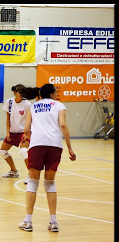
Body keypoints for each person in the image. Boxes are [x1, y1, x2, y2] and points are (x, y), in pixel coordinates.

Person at [19, 84, 76, 232]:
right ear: (51, 94)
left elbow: (26, 130)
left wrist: (35, 139)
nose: (57, 94)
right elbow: (63, 125)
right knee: (50, 182)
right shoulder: (59, 105)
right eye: (56, 92)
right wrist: (70, 148)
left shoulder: (33, 106)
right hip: (55, 145)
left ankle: (28, 221)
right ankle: (53, 222)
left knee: (33, 181)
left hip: (37, 145)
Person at [0, 84, 32, 184]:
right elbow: (7, 119)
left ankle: (31, 176)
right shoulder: (9, 102)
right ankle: (14, 171)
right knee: (2, 152)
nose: (22, 94)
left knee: (23, 151)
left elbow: (31, 120)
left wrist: (27, 134)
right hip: (13, 132)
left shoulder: (27, 104)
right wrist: (7, 132)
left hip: (24, 132)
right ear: (15, 92)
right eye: (20, 92)